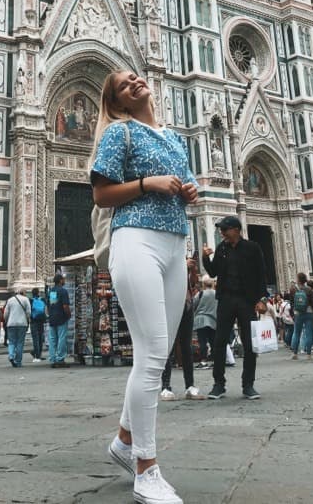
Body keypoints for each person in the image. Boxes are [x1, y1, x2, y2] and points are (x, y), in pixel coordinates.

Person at [91, 68, 198, 504]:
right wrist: (146, 184)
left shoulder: (175, 138)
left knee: (161, 349)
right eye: (123, 86)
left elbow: (186, 184)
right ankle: (146, 468)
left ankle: (122, 440)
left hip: (175, 244)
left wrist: (190, 192)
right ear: (117, 102)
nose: (134, 83)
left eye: (135, 77)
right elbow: (101, 194)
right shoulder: (119, 132)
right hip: (135, 237)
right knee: (152, 353)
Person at [202, 216, 267, 400]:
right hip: (226, 299)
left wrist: (262, 298)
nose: (222, 233)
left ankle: (248, 385)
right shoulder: (222, 248)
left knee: (249, 344)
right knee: (219, 341)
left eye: (225, 229)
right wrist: (205, 258)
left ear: (237, 229)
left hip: (246, 301)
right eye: (221, 230)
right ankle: (218, 384)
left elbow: (262, 274)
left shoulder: (252, 248)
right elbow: (213, 272)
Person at [160, 258, 203, 401]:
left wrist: (193, 270)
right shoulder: (168, 259)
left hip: (186, 305)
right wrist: (182, 266)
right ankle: (165, 387)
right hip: (170, 305)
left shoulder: (183, 259)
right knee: (169, 346)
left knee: (187, 346)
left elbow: (193, 283)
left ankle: (190, 386)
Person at [47, 273, 72, 368]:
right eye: (63, 279)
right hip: (61, 317)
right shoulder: (63, 291)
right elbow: (65, 306)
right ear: (61, 280)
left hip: (53, 317)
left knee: (53, 339)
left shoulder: (52, 291)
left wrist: (51, 314)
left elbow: (51, 304)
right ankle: (60, 359)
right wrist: (68, 315)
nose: (64, 281)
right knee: (62, 338)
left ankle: (53, 359)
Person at [4, 286, 30, 368]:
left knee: (11, 342)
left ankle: (11, 356)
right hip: (22, 324)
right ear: (23, 293)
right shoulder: (25, 299)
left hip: (11, 324)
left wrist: (7, 321)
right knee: (20, 342)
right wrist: (27, 319)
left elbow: (6, 313)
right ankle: (18, 361)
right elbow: (29, 312)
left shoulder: (10, 300)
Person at [290, 272, 313, 359]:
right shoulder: (309, 289)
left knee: (297, 333)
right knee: (308, 333)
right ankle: (308, 354)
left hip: (298, 313)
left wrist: (293, 313)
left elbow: (291, 302)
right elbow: (312, 302)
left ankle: (295, 354)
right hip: (308, 312)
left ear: (298, 280)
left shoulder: (293, 289)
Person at [194, 276, 217, 367]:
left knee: (202, 341)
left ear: (203, 284)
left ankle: (203, 361)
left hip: (201, 320)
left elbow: (193, 304)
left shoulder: (200, 294)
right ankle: (215, 360)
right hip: (213, 321)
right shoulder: (217, 294)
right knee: (213, 341)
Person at [30, 287, 47, 362]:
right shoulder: (42, 300)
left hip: (34, 321)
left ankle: (36, 355)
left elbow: (28, 311)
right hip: (41, 321)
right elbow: (45, 309)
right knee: (40, 338)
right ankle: (39, 354)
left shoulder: (30, 300)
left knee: (35, 339)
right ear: (38, 293)